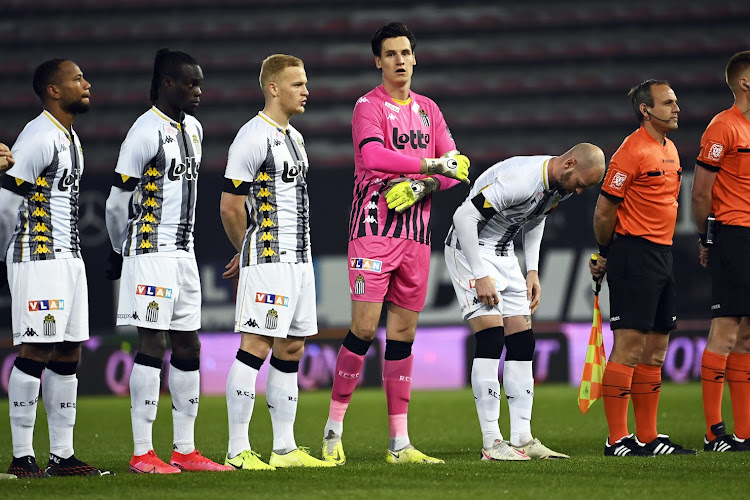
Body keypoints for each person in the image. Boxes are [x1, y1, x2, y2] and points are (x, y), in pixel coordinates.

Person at [321, 21, 470, 466]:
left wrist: (425, 186)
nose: (400, 60)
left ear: (415, 57)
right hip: (373, 230)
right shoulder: (367, 106)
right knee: (364, 329)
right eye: (391, 54)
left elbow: (457, 167)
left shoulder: (429, 109)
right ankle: (332, 431)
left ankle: (399, 444)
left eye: (406, 52)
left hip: (417, 236)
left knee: (403, 334)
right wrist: (431, 164)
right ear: (378, 61)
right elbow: (372, 156)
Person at [104, 49, 232, 473]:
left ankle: (184, 449)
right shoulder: (142, 132)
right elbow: (116, 202)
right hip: (151, 251)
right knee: (153, 344)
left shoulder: (194, 129)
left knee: (188, 345)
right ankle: (143, 452)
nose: (198, 91)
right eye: (190, 84)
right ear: (167, 84)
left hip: (184, 253)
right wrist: (120, 248)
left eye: (200, 83)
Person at [446, 143, 604, 461]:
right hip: (471, 249)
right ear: (570, 163)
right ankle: (491, 443)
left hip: (504, 253)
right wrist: (480, 274)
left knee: (522, 342)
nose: (580, 191)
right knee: (491, 338)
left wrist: (532, 269)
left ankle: (521, 438)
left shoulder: (560, 185)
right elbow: (463, 217)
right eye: (581, 184)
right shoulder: (520, 180)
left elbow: (536, 218)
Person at [220, 53, 333, 470]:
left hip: (299, 260)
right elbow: (231, 207)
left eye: (305, 83)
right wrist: (245, 250)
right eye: (298, 84)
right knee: (256, 345)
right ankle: (237, 450)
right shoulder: (252, 136)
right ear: (273, 88)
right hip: (268, 258)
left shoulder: (295, 137)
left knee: (293, 346)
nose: (306, 90)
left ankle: (283, 449)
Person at [0, 58, 109, 477]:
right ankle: (21, 457)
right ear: (54, 90)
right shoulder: (38, 136)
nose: (88, 83)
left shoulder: (70, 137)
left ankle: (62, 456)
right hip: (38, 255)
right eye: (78, 78)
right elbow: (7, 202)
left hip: (69, 258)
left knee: (68, 352)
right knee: (37, 349)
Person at [590, 80, 696, 456]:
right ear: (646, 111)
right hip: (633, 254)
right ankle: (617, 439)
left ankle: (648, 437)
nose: (676, 108)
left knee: (656, 348)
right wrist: (606, 250)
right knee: (631, 346)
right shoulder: (630, 152)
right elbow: (604, 210)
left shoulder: (669, 149)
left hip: (663, 254)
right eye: (668, 103)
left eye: (676, 102)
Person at [691, 50, 750, 452]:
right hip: (733, 235)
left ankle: (744, 432)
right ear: (745, 82)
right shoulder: (723, 127)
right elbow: (700, 192)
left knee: (747, 337)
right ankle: (715, 432)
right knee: (726, 331)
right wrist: (708, 237)